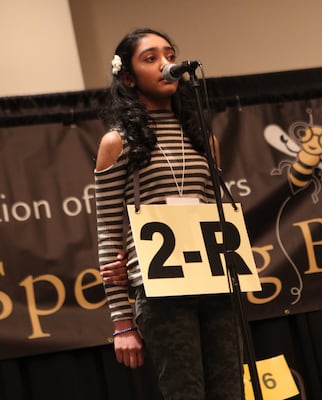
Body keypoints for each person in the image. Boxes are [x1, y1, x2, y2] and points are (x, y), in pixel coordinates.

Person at [94, 28, 243, 400]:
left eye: (170, 55)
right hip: (162, 291)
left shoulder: (202, 139)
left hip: (212, 282)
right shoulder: (116, 142)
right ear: (128, 77)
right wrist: (122, 323)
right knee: (185, 392)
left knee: (230, 391)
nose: (166, 65)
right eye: (151, 58)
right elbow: (110, 231)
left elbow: (214, 212)